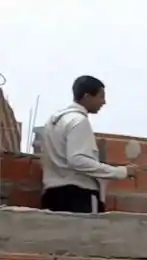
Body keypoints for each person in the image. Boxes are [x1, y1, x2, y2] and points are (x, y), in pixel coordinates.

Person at [39, 75, 133, 214]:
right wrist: (120, 172)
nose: (104, 102)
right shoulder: (78, 121)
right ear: (87, 97)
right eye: (100, 97)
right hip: (77, 197)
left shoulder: (53, 122)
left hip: (51, 196)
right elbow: (78, 160)